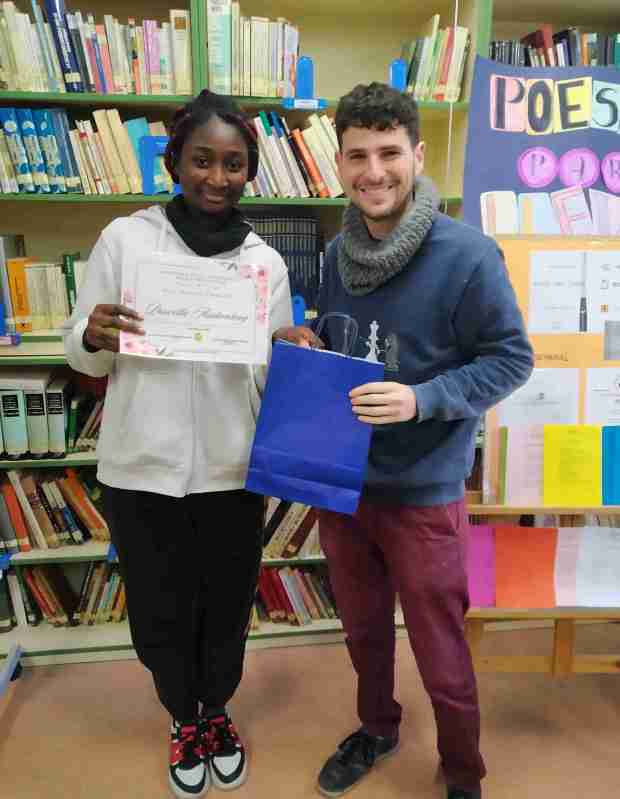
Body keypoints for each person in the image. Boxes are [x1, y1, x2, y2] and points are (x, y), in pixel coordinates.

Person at [274, 82, 534, 799]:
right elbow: (349, 338)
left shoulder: (468, 255)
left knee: (440, 648)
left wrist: (423, 399)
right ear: (338, 163)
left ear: (417, 155)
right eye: (357, 155)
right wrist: (308, 339)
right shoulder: (336, 253)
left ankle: (462, 769)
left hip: (422, 492)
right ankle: (377, 727)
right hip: (342, 482)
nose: (374, 171)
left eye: (389, 153)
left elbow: (511, 359)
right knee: (364, 634)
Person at [63, 90, 292, 799]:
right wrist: (90, 333)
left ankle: (216, 709)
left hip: (233, 469)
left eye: (234, 163)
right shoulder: (125, 241)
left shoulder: (265, 262)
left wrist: (291, 354)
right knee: (159, 608)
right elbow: (84, 353)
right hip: (141, 469)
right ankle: (182, 716)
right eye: (202, 160)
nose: (217, 177)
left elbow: (270, 381)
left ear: (250, 171)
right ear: (174, 161)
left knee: (226, 606)